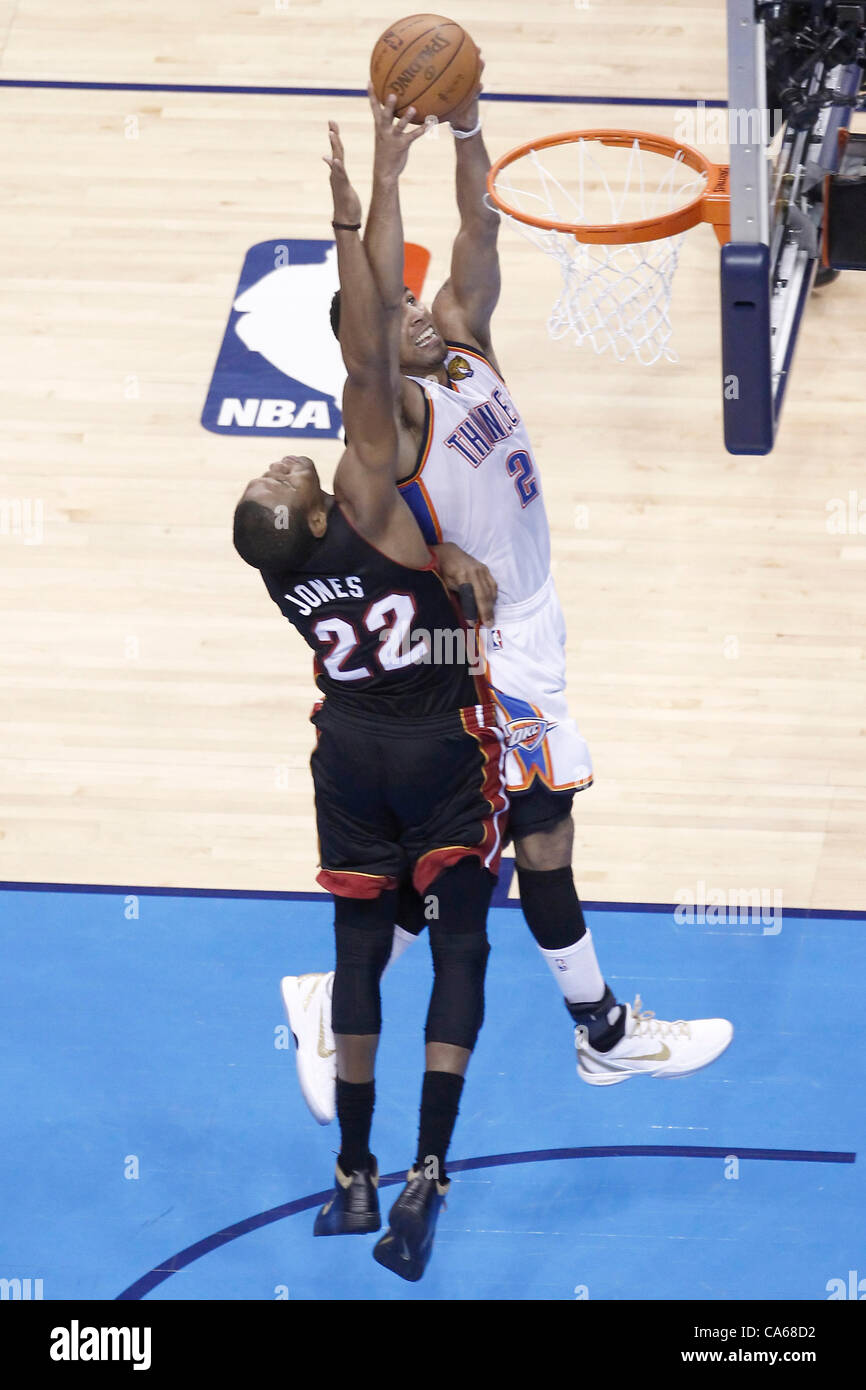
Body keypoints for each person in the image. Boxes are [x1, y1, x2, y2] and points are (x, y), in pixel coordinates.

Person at [284, 78, 732, 1125]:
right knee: (524, 846)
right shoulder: (384, 432)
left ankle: (341, 993)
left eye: (408, 301)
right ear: (369, 347)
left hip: (535, 624)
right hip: (485, 659)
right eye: (389, 315)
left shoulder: (464, 344)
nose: (412, 314)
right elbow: (365, 338)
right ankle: (602, 1033)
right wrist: (379, 181)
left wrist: (467, 122)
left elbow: (477, 226)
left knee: (513, 849)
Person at [233, 114, 507, 1282]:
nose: (277, 463)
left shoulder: (291, 573)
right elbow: (358, 363)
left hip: (344, 750)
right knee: (459, 948)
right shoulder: (366, 491)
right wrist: (363, 207)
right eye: (274, 477)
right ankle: (426, 1171)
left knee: (356, 948)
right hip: (433, 742)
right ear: (311, 511)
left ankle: (350, 1174)